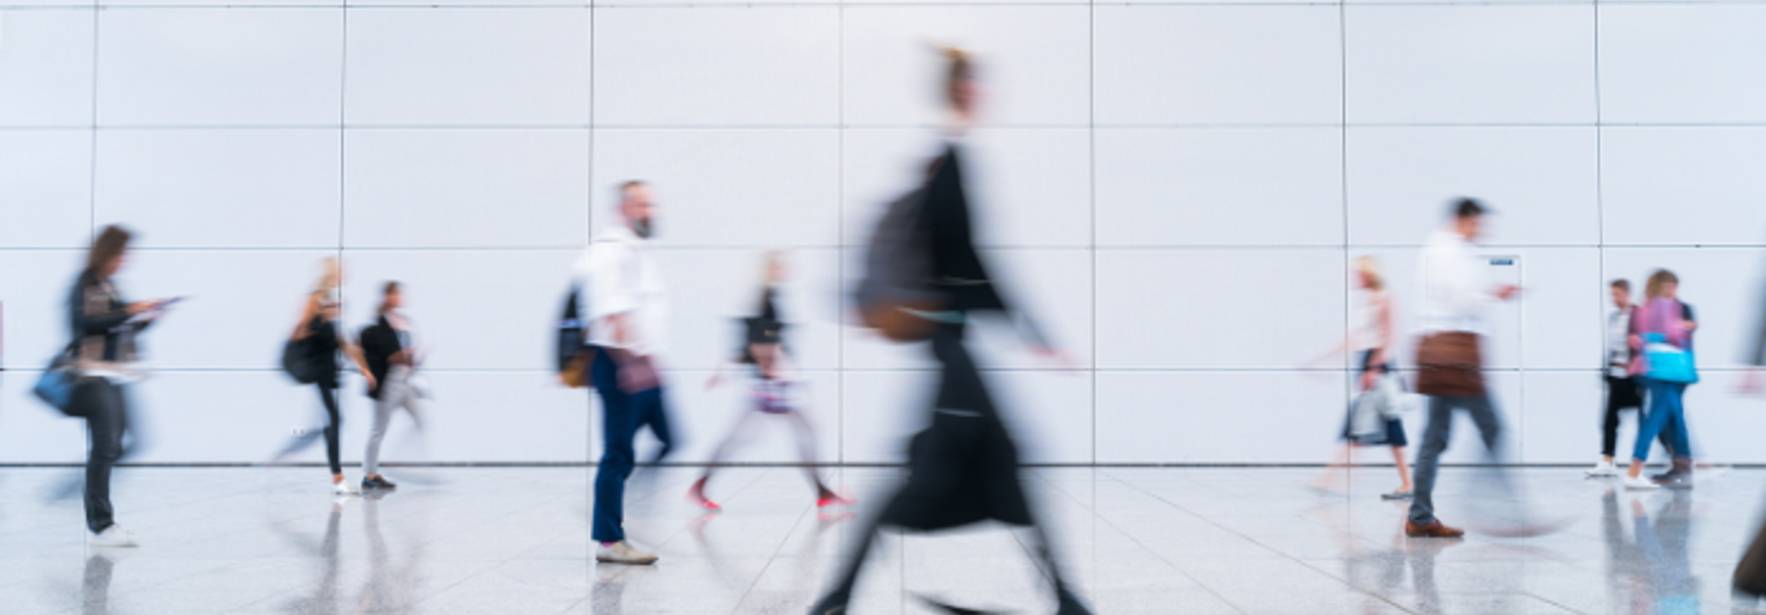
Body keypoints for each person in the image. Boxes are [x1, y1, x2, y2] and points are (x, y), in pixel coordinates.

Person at [808, 48, 1091, 615]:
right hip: (951, 344)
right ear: (963, 90)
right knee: (943, 475)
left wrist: (1023, 324)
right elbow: (965, 260)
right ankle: (837, 597)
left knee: (1001, 462)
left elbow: (965, 262)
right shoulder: (952, 160)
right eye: (976, 85)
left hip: (953, 342)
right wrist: (1030, 326)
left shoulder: (951, 158)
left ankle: (1065, 598)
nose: (985, 94)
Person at [688, 252, 849, 511]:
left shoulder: (769, 295)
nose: (783, 270)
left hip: (771, 382)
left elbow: (753, 336)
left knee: (789, 433)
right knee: (788, 433)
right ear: (769, 269)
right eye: (778, 266)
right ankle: (700, 486)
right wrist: (770, 368)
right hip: (769, 385)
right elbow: (758, 337)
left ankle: (822, 492)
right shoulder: (767, 297)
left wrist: (731, 367)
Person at [1405, 198, 1522, 539]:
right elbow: (1460, 300)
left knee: (1434, 438)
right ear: (1463, 220)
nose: (1480, 231)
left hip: (1440, 355)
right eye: (1477, 224)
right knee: (1492, 427)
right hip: (1454, 356)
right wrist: (1494, 295)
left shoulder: (1436, 249)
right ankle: (1499, 510)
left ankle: (1420, 515)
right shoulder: (1448, 252)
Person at [579, 180, 678, 566]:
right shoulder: (610, 252)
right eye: (642, 205)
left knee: (670, 438)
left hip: (643, 363)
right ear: (623, 208)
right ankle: (609, 538)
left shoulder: (636, 250)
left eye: (651, 204)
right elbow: (613, 312)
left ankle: (618, 500)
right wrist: (632, 364)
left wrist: (650, 360)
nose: (650, 211)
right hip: (620, 364)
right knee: (618, 453)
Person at [63, 225, 171, 547]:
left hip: (113, 373)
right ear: (108, 253)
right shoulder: (83, 283)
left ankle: (84, 488)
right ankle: (101, 524)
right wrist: (128, 311)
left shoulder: (108, 286)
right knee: (106, 446)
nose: (125, 261)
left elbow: (123, 328)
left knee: (126, 441)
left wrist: (148, 317)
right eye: (122, 254)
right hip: (89, 376)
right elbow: (85, 324)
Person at [1313, 256, 1413, 500]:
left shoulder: (1384, 298)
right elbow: (1353, 338)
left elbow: (1389, 338)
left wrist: (1373, 369)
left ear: (1369, 274)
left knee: (1363, 425)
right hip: (1368, 363)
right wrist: (1321, 360)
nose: (1354, 277)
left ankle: (1330, 479)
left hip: (1378, 366)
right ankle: (1406, 483)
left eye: (1358, 273)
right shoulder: (1365, 301)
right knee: (1383, 427)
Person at [273, 257, 376, 495]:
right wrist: (320, 320)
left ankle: (325, 471)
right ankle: (336, 478)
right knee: (333, 420)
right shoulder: (316, 298)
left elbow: (344, 343)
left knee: (332, 421)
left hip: (325, 370)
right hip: (315, 367)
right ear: (330, 273)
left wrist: (365, 369)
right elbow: (299, 330)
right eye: (340, 271)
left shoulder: (328, 301)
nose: (344, 275)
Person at [1621, 269, 1695, 491]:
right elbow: (1669, 335)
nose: (1674, 290)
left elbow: (1640, 337)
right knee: (1656, 418)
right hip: (1663, 370)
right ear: (1662, 285)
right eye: (1671, 285)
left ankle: (1685, 463)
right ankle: (1635, 470)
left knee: (1673, 416)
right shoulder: (1663, 306)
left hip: (1657, 370)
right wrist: (1684, 329)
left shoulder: (1644, 307)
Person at [358, 281, 426, 491]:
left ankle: (396, 460)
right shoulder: (381, 324)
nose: (400, 297)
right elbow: (392, 355)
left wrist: (412, 358)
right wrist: (406, 357)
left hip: (403, 382)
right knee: (378, 429)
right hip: (388, 384)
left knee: (419, 421)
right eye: (396, 294)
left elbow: (404, 354)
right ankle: (370, 475)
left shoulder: (402, 321)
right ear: (388, 296)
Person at [1588, 279, 1651, 477]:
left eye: (1616, 294)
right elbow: (1611, 347)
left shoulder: (1640, 314)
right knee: (1609, 420)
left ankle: (1644, 463)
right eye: (1611, 295)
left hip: (1635, 376)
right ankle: (1607, 461)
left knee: (1647, 421)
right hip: (1616, 376)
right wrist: (1605, 369)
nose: (1613, 299)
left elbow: (1645, 345)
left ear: (1627, 293)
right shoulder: (1613, 317)